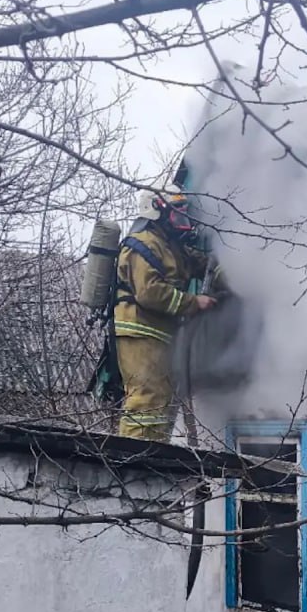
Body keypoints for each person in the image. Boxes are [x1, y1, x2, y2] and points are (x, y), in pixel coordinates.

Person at [112, 189, 219, 442]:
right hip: (139, 332)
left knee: (162, 401)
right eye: (177, 211)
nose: (183, 217)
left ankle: (155, 453)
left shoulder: (171, 247)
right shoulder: (143, 244)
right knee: (145, 400)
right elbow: (149, 292)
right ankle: (129, 456)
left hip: (159, 335)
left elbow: (204, 265)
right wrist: (194, 302)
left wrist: (238, 274)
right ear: (156, 209)